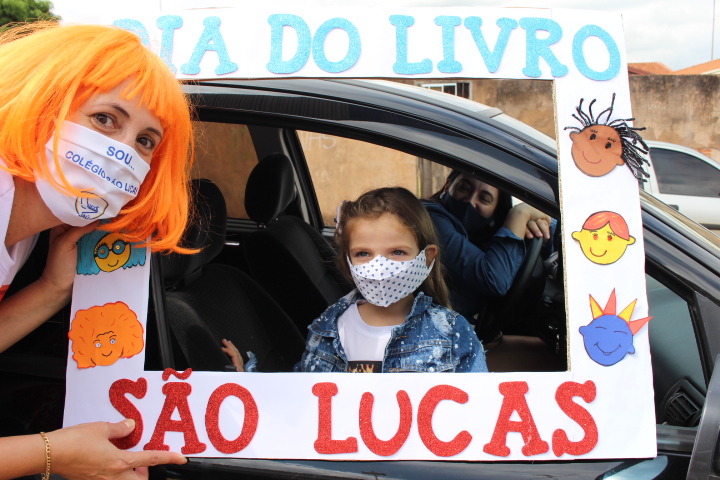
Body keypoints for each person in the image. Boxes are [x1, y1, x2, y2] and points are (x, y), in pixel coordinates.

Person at [0, 22, 194, 479]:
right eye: (105, 119)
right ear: (42, 104)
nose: (122, 153)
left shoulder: (27, 225)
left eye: (145, 141)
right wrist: (52, 453)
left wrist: (51, 288)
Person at [294, 187, 487, 373]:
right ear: (347, 260)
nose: (380, 267)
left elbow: (477, 393)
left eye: (397, 252)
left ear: (427, 258)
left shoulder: (453, 333)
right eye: (363, 253)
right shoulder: (327, 329)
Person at [423, 170, 553, 327]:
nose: (470, 202)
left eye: (484, 199)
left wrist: (536, 231)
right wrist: (520, 213)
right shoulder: (431, 220)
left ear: (495, 211)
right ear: (447, 186)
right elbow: (494, 279)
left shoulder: (478, 235)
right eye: (463, 188)